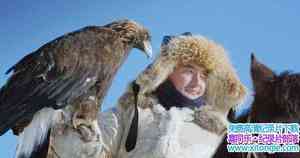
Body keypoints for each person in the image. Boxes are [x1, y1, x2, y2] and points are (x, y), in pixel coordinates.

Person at [47, 33, 247, 158]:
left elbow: (277, 138)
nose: (197, 83)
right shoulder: (130, 113)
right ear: (166, 71)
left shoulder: (222, 128)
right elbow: (86, 150)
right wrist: (76, 134)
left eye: (204, 76)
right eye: (188, 71)